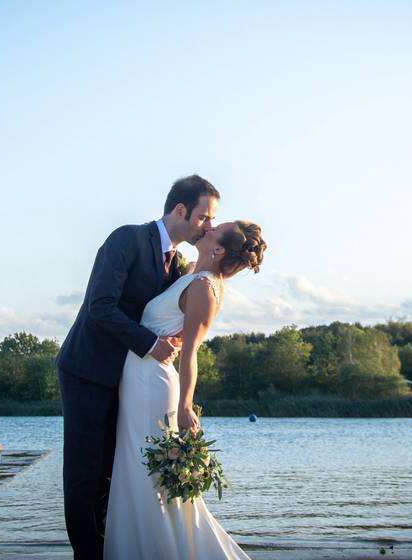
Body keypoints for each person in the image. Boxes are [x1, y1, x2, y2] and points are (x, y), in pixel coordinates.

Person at [56, 175, 221, 560]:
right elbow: (100, 307)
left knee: (114, 472)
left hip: (129, 380)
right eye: (204, 217)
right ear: (180, 210)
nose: (208, 226)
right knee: (85, 472)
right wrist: (151, 345)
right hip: (87, 370)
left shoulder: (177, 263)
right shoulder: (126, 239)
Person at [104, 220, 267, 559]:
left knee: (144, 476)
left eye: (212, 230)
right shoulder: (194, 275)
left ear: (218, 249)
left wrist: (185, 406)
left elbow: (190, 352)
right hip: (139, 380)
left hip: (152, 384)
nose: (205, 229)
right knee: (138, 473)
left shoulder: (204, 288)